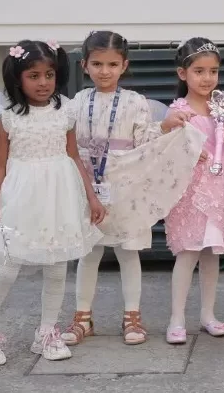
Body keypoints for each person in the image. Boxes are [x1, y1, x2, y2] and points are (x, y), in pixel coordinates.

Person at [62, 31, 204, 348]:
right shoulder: (76, 103)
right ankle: (82, 317)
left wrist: (165, 126)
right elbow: (68, 144)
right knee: (89, 252)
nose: (105, 71)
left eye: (113, 64)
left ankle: (132, 316)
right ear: (84, 65)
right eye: (97, 64)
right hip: (86, 187)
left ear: (124, 65)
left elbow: (144, 142)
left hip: (125, 187)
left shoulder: (134, 102)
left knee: (128, 252)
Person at [0, 40, 106, 367]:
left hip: (60, 196)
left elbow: (73, 155)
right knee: (7, 266)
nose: (43, 82)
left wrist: (91, 196)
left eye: (49, 74)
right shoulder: (8, 118)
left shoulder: (66, 111)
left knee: (57, 267)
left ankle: (47, 331)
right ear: (17, 78)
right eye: (34, 75)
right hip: (21, 197)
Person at [163, 37, 224, 345]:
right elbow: (168, 150)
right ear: (183, 74)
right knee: (188, 251)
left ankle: (208, 314)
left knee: (211, 253)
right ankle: (177, 317)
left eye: (213, 71)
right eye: (199, 71)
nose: (207, 78)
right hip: (191, 191)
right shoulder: (179, 111)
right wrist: (188, 149)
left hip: (220, 189)